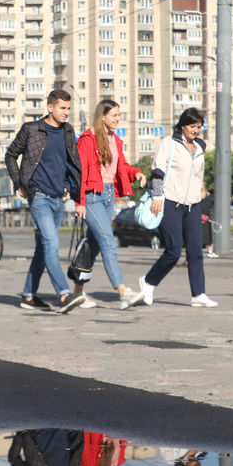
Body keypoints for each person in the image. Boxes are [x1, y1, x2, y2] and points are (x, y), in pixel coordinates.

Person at [4, 88, 83, 313]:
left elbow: (71, 162)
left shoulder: (68, 131)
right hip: (38, 196)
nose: (66, 112)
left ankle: (28, 295)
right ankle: (64, 294)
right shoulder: (32, 129)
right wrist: (18, 182)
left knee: (43, 247)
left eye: (69, 108)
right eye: (62, 108)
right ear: (50, 107)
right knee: (51, 243)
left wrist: (70, 187)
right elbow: (10, 155)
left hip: (59, 199)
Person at [138, 108, 216, 307]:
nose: (196, 130)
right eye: (192, 126)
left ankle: (198, 294)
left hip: (193, 205)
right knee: (173, 251)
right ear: (183, 125)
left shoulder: (199, 148)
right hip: (170, 203)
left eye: (199, 127)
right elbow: (158, 171)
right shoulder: (169, 143)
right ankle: (148, 282)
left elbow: (198, 176)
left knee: (195, 251)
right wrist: (156, 197)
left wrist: (199, 195)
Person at [72, 99, 146, 309]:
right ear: (102, 116)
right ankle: (123, 292)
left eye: (118, 114)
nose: (118, 118)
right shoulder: (88, 139)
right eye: (114, 114)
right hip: (92, 196)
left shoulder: (115, 139)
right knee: (108, 241)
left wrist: (136, 173)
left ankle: (78, 293)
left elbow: (121, 165)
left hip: (108, 195)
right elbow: (81, 172)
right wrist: (80, 202)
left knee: (93, 245)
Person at [199, 184, 218, 258]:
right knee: (204, 235)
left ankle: (209, 250)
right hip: (202, 217)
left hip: (203, 217)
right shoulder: (203, 196)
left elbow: (211, 206)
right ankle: (208, 250)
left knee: (207, 234)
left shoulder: (206, 196)